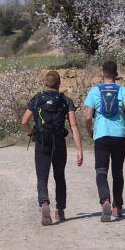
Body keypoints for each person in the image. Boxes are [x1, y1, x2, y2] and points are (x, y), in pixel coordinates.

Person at [21, 71, 83, 225]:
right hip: (59, 142)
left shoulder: (37, 98)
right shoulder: (65, 100)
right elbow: (74, 126)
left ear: (45, 83)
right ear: (59, 83)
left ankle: (44, 204)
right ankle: (60, 210)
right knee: (59, 176)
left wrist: (31, 134)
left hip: (42, 141)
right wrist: (79, 149)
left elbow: (24, 121)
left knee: (42, 177)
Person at [84, 60, 125, 222]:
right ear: (116, 74)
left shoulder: (94, 91)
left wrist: (90, 130)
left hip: (101, 136)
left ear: (102, 72)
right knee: (117, 172)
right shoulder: (123, 90)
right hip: (119, 135)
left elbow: (87, 116)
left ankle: (105, 200)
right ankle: (117, 206)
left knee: (101, 171)